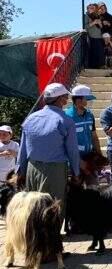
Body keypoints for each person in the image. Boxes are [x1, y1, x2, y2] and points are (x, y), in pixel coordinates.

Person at [16, 83, 81, 213]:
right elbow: (72, 151)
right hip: (54, 170)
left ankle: (34, 232)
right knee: (53, 207)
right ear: (59, 99)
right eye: (65, 96)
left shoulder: (30, 119)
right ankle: (52, 233)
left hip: (32, 169)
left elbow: (23, 149)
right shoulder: (66, 121)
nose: (67, 99)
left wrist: (20, 171)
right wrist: (76, 172)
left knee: (34, 207)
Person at [65, 85, 103, 184]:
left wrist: (99, 155)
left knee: (94, 189)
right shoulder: (67, 117)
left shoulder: (90, 115)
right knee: (75, 192)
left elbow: (94, 137)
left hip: (90, 159)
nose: (89, 102)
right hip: (74, 162)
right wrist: (78, 161)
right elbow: (65, 143)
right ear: (78, 100)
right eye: (87, 99)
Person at [84, 3, 104, 68]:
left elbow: (101, 27)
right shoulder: (86, 16)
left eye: (93, 8)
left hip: (99, 37)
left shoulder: (96, 15)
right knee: (94, 53)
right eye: (91, 8)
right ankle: (93, 67)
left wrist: (100, 24)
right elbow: (85, 26)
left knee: (100, 52)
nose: (93, 9)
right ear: (88, 9)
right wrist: (94, 22)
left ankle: (100, 66)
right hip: (92, 37)